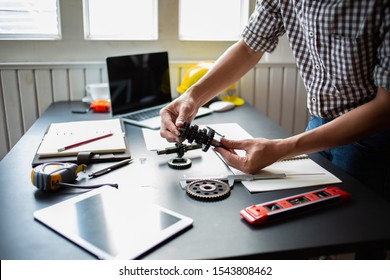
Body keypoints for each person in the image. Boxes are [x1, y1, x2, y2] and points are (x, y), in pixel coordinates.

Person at [160, 1, 390, 206]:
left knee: (363, 227)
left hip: (372, 137)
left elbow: (385, 107)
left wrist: (282, 148)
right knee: (313, 216)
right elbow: (250, 47)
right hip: (318, 125)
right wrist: (192, 96)